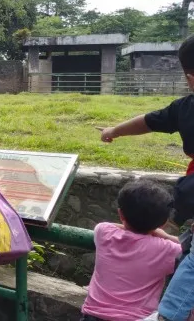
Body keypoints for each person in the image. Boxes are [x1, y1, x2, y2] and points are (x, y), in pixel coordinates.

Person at [99, 35, 194, 320]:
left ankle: (167, 314)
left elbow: (148, 121)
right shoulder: (184, 107)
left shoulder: (186, 106)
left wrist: (113, 131)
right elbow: (149, 121)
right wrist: (114, 130)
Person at [79, 181, 181, 321]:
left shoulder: (104, 233)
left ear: (121, 214)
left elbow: (106, 225)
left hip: (92, 315)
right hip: (136, 318)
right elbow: (188, 246)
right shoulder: (167, 249)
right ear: (163, 223)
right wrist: (166, 235)